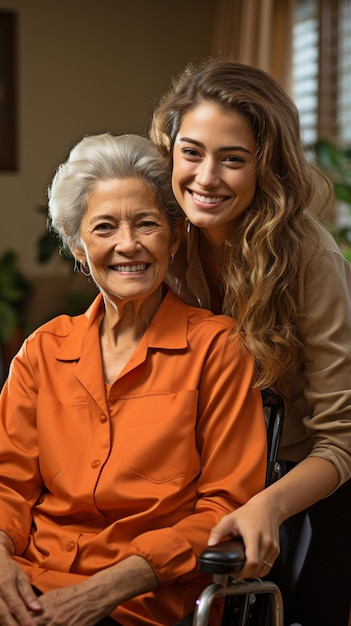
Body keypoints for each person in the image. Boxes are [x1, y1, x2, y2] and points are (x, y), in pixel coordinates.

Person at [0, 132, 267, 626]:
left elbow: (224, 506)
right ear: (79, 248)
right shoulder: (42, 351)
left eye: (147, 224)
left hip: (143, 601)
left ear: (173, 236)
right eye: (104, 228)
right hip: (29, 584)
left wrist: (107, 588)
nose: (129, 245)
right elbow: (8, 486)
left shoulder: (217, 348)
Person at [150, 59, 351, 625]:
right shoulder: (161, 232)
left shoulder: (311, 258)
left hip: (304, 489)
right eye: (191, 152)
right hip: (203, 479)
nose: (206, 177)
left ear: (268, 166)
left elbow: (341, 438)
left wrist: (268, 504)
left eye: (232, 159)